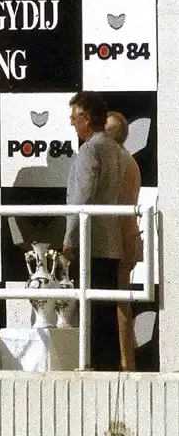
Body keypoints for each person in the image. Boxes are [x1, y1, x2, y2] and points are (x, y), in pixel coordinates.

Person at [62, 92, 129, 371]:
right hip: (111, 241)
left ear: (87, 119)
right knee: (105, 314)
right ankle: (109, 371)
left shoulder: (90, 149)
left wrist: (68, 239)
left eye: (74, 117)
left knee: (91, 313)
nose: (72, 123)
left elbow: (82, 197)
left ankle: (94, 370)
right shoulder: (115, 147)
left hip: (91, 242)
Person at [104, 110, 142, 371]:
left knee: (119, 306)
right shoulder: (129, 159)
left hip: (115, 242)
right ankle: (125, 362)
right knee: (121, 305)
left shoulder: (116, 160)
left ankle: (123, 364)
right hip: (124, 239)